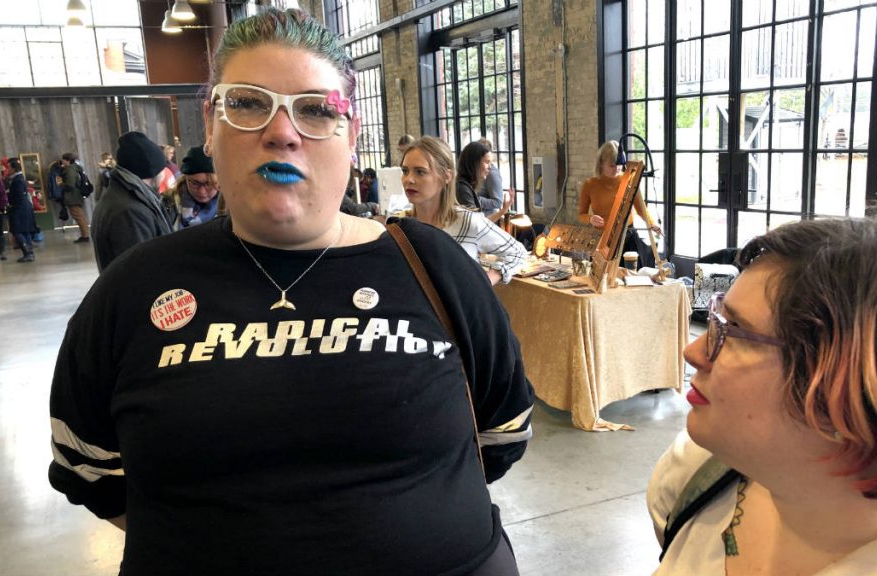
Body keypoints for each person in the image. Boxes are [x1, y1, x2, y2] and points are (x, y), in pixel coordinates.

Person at [49, 9, 532, 575]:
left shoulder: (434, 266)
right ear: (210, 123)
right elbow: (87, 467)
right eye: (249, 103)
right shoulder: (134, 288)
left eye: (316, 109)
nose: (283, 132)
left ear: (351, 135)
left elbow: (500, 435)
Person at [647, 217, 877, 575]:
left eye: (735, 332)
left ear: (859, 385)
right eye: (716, 322)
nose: (694, 352)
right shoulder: (694, 477)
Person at [402, 136, 525, 286]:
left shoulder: (467, 221)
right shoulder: (400, 227)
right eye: (405, 171)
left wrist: (487, 280)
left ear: (446, 176)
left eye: (420, 172)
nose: (409, 179)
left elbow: (517, 252)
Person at [89, 131, 173, 271]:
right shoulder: (130, 211)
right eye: (163, 168)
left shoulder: (121, 196)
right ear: (153, 170)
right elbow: (141, 272)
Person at [577, 140, 660, 269]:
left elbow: (640, 208)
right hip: (602, 240)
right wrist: (590, 219)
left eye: (620, 165)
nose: (616, 169)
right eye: (612, 166)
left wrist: (652, 223)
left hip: (626, 239)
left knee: (630, 276)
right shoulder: (590, 185)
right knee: (605, 278)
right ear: (601, 164)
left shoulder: (629, 180)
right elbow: (581, 214)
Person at [162, 146, 220, 229]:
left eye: (208, 184)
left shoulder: (232, 208)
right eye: (195, 183)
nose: (202, 191)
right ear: (185, 178)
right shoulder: (168, 203)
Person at [456, 141, 511, 223]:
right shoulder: (463, 189)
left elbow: (479, 224)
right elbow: (477, 226)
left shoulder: (466, 185)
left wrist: (503, 211)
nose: (490, 167)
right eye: (487, 162)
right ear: (475, 163)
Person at [5, 158, 36, 263]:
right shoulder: (19, 178)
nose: (7, 169)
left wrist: (10, 202)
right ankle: (30, 253)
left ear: (13, 168)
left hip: (19, 208)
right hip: (25, 207)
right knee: (25, 231)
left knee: (17, 231)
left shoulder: (17, 180)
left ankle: (27, 253)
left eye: (8, 167)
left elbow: (17, 196)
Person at [60, 152, 91, 243]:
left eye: (63, 159)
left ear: (68, 160)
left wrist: (61, 184)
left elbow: (70, 184)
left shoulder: (70, 170)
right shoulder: (76, 168)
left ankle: (85, 236)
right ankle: (85, 235)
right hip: (77, 195)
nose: (62, 161)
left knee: (78, 216)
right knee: (80, 215)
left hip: (73, 196)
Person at [475, 138, 504, 213]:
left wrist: (475, 199)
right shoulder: (478, 170)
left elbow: (497, 202)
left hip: (488, 218)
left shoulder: (492, 173)